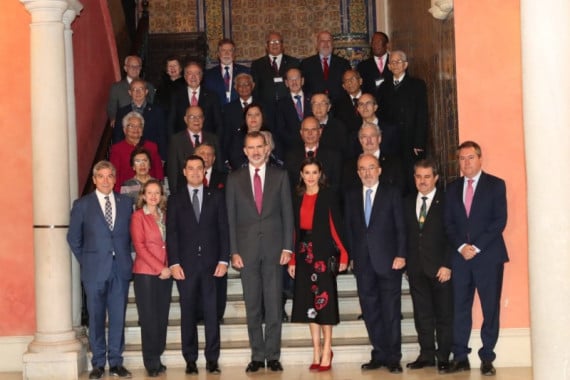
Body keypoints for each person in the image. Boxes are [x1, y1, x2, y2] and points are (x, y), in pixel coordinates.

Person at [226, 131, 294, 372]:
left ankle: (273, 355)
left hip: (275, 250)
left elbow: (287, 213)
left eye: (259, 146)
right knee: (252, 304)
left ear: (267, 149)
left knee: (274, 304)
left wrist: (288, 246)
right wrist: (233, 250)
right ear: (245, 151)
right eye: (250, 147)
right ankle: (257, 354)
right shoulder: (234, 179)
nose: (255, 151)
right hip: (246, 252)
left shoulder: (281, 175)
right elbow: (231, 219)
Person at [444, 141, 508, 376]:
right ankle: (460, 356)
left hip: (488, 256)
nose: (466, 163)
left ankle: (487, 357)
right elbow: (448, 224)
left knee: (490, 308)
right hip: (460, 258)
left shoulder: (496, 185)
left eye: (470, 158)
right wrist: (462, 247)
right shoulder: (451, 188)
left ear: (480, 159)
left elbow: (499, 221)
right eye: (461, 158)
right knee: (460, 307)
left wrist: (476, 246)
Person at [67, 161, 133, 379]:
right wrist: (87, 261)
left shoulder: (126, 203)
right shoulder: (82, 205)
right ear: (94, 179)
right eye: (101, 176)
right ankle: (98, 363)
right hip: (94, 271)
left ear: (115, 179)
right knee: (95, 317)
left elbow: (129, 237)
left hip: (120, 269)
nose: (105, 180)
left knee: (117, 317)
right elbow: (74, 238)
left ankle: (115, 361)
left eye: (109, 176)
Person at [344, 153, 406, 374]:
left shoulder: (391, 193)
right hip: (362, 262)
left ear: (379, 170)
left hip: (389, 261)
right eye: (362, 169)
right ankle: (378, 354)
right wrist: (351, 255)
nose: (367, 172)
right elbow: (350, 229)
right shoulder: (351, 196)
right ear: (358, 172)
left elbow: (401, 226)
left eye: (371, 167)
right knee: (370, 310)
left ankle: (393, 357)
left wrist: (401, 254)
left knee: (390, 310)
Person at [167, 155, 230, 375]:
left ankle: (212, 359)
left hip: (212, 265)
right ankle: (190, 358)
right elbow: (172, 234)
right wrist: (173, 262)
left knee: (212, 312)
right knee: (188, 313)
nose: (195, 172)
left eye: (199, 169)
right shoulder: (175, 199)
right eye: (191, 169)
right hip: (186, 266)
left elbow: (224, 229)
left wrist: (224, 259)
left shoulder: (216, 196)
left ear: (205, 171)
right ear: (184, 171)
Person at [288, 157, 348, 371]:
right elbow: (294, 230)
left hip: (323, 254)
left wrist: (343, 254)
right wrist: (293, 258)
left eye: (315, 173)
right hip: (303, 255)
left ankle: (327, 350)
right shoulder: (296, 198)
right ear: (301, 175)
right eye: (307, 173)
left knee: (325, 303)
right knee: (308, 304)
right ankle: (315, 350)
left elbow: (336, 226)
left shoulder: (328, 196)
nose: (311, 177)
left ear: (320, 174)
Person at [404, 159, 453, 373]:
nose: (422, 181)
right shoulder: (406, 201)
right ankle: (426, 355)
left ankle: (443, 356)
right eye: (418, 177)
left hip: (440, 269)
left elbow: (454, 235)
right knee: (422, 315)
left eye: (427, 177)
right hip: (416, 268)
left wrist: (447, 264)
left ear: (435, 178)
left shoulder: (448, 201)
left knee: (443, 315)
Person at [130, 179, 172, 377]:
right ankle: (151, 361)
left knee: (162, 317)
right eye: (150, 193)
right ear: (143, 196)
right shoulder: (138, 216)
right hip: (146, 273)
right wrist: (160, 268)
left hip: (165, 273)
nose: (154, 196)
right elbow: (140, 247)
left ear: (161, 196)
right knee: (149, 319)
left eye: (157, 193)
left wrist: (170, 266)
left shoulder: (165, 216)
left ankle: (158, 355)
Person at [376, 50, 428, 194]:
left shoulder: (417, 85)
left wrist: (419, 142)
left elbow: (422, 114)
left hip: (410, 140)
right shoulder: (383, 88)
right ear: (388, 67)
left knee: (411, 177)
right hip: (391, 140)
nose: (395, 65)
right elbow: (380, 115)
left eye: (398, 62)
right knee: (394, 175)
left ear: (405, 65)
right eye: (392, 62)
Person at [167, 105, 220, 194]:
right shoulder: (176, 140)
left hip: (211, 192)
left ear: (203, 119)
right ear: (185, 119)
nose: (196, 120)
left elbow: (219, 166)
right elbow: (173, 171)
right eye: (192, 117)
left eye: (199, 117)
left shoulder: (213, 138)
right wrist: (175, 194)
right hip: (184, 192)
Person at [109, 112, 164, 193]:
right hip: (127, 192)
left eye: (139, 126)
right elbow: (114, 175)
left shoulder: (152, 146)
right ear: (124, 130)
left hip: (150, 191)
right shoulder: (117, 149)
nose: (136, 129)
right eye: (131, 126)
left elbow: (158, 172)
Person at [341, 122, 403, 194]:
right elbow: (345, 192)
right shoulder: (349, 165)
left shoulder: (394, 163)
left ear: (379, 138)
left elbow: (400, 190)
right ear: (360, 140)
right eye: (365, 137)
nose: (369, 140)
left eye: (372, 136)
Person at [284, 116, 342, 192]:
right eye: (306, 130)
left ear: (320, 131)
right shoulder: (291, 156)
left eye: (313, 129)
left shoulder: (333, 156)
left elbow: (336, 186)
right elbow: (288, 185)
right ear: (301, 133)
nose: (310, 133)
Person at [114, 79, 167, 159]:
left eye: (141, 89)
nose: (138, 92)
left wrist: (162, 157)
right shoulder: (122, 112)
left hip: (151, 155)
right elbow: (118, 136)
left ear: (146, 91)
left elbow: (162, 135)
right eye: (134, 89)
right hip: (128, 155)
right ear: (130, 92)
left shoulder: (157, 111)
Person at [250, 31, 300, 115]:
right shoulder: (257, 64)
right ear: (266, 46)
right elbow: (255, 90)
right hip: (266, 109)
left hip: (289, 107)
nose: (274, 45)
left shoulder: (293, 62)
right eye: (271, 42)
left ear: (282, 45)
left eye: (277, 42)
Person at [169, 61, 222, 137]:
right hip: (182, 142)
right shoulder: (176, 96)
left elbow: (219, 124)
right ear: (184, 76)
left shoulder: (212, 96)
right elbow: (171, 123)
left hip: (206, 143)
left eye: (197, 73)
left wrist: (215, 143)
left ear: (201, 76)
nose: (193, 77)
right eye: (189, 73)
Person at [300, 31, 351, 102]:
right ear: (317, 45)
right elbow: (303, 87)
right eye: (322, 41)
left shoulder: (343, 63)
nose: (326, 44)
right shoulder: (306, 64)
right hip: (315, 106)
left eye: (329, 41)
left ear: (333, 45)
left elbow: (348, 86)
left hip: (339, 106)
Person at [227, 102, 279, 170]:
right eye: (249, 115)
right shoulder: (237, 137)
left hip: (269, 174)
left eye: (257, 115)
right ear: (245, 119)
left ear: (262, 117)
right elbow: (235, 161)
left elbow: (279, 159)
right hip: (244, 175)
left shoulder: (271, 136)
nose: (253, 118)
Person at [107, 55, 155, 127]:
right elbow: (112, 107)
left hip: (146, 126)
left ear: (140, 68)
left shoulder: (149, 86)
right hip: (125, 127)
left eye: (137, 66)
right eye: (131, 66)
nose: (134, 69)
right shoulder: (116, 88)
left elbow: (153, 106)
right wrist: (113, 118)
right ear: (125, 68)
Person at [274, 67, 312, 154]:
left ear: (302, 81)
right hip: (291, 149)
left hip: (313, 146)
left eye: (297, 79)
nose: (294, 82)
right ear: (286, 83)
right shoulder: (280, 104)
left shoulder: (312, 99)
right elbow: (280, 129)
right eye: (291, 79)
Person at [204, 38, 250, 106]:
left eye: (230, 51)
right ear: (218, 54)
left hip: (238, 113)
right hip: (217, 114)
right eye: (223, 50)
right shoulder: (209, 75)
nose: (226, 53)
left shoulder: (246, 71)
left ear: (234, 54)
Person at [221, 73, 259, 155]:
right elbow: (226, 136)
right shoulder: (228, 109)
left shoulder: (263, 106)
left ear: (253, 85)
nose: (244, 87)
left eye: (247, 84)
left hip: (259, 151)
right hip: (236, 153)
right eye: (240, 85)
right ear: (235, 88)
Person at [332, 69, 365, 157]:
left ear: (360, 81)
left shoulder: (371, 98)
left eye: (352, 79)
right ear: (343, 86)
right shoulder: (337, 105)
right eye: (346, 81)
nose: (350, 82)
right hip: (349, 149)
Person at [310, 93, 348, 158]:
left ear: (329, 107)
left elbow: (343, 151)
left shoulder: (339, 127)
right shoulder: (306, 125)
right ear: (311, 108)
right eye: (315, 104)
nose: (318, 107)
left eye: (322, 103)